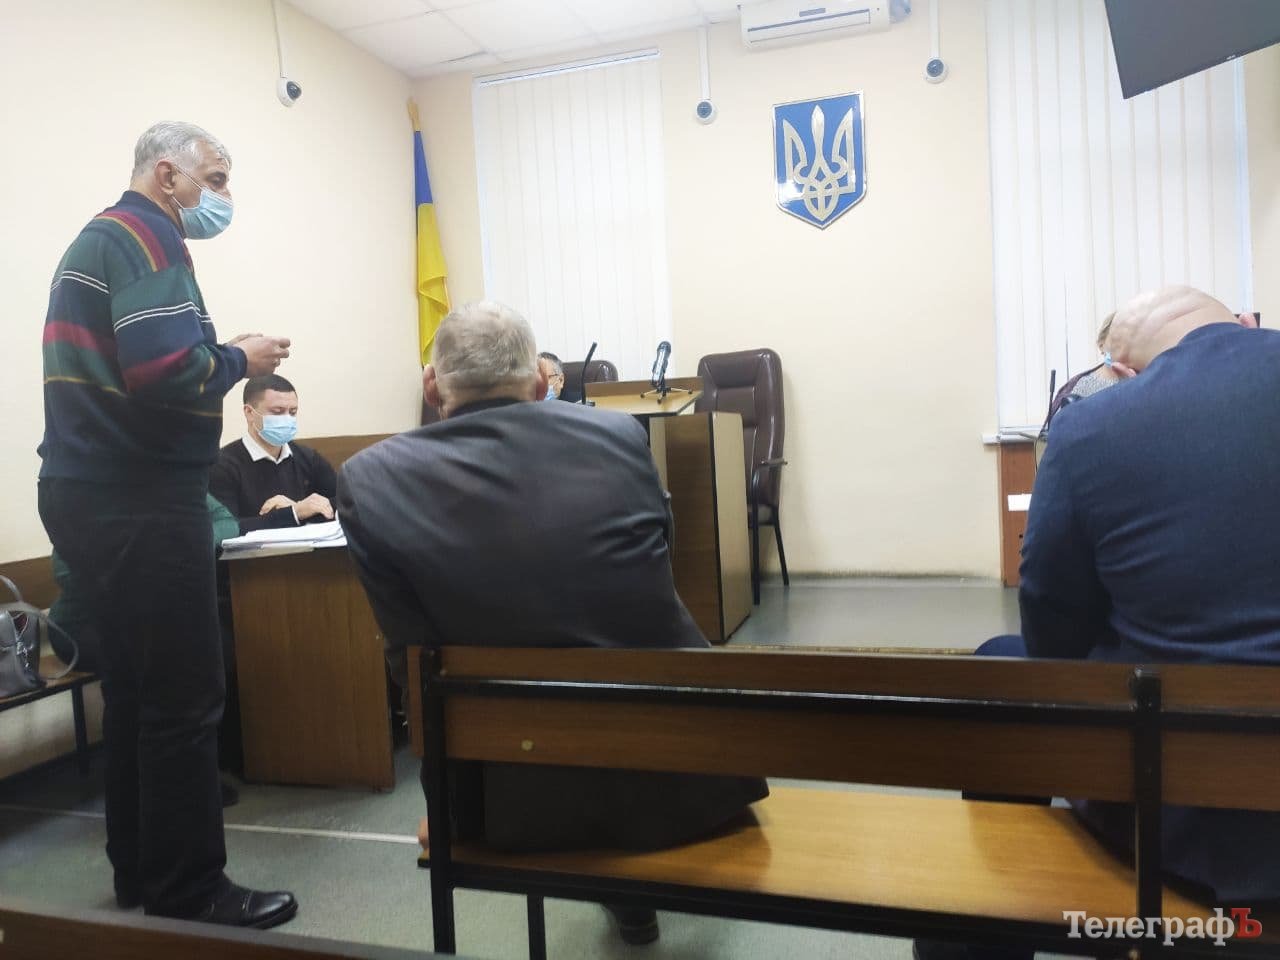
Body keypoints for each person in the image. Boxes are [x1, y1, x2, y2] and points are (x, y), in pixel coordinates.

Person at [337, 301, 768, 946]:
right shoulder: (621, 437)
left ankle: (620, 891)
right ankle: (630, 894)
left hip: (510, 802)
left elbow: (411, 657)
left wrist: (449, 810)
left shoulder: (369, 479)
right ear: (542, 381)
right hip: (687, 775)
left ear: (432, 387)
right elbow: (657, 575)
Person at [919, 286, 1276, 960]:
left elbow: (1053, 636)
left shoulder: (1091, 429)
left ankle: (982, 931)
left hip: (1177, 819)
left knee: (1002, 663)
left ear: (1121, 372)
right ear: (1246, 323)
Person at [37, 121, 297, 928]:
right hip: (141, 496)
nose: (223, 195)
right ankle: (191, 887)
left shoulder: (100, 238)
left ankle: (142, 873)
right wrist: (241, 357)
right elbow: (162, 372)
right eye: (214, 179)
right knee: (184, 697)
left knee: (136, 693)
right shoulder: (149, 236)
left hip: (88, 491)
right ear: (166, 174)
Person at [210, 375, 337, 532]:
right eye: (277, 412)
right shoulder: (221, 465)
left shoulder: (309, 458)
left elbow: (343, 503)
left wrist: (298, 509)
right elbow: (226, 528)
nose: (287, 419)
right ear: (249, 412)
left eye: (292, 412)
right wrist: (293, 513)